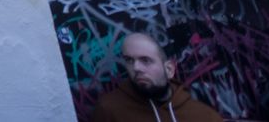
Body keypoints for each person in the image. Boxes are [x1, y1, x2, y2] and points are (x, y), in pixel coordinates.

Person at [91, 32, 220, 121]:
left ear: (169, 69)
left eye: (145, 60)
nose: (136, 68)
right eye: (129, 60)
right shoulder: (109, 110)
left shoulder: (204, 116)